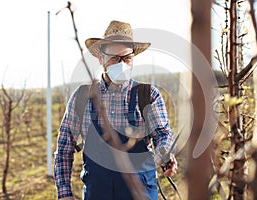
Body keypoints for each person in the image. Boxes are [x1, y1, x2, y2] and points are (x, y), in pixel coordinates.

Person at [54, 20, 178, 200]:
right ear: (100, 58)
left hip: (140, 192)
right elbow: (64, 147)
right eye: (114, 58)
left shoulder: (147, 95)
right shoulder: (82, 97)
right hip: (97, 193)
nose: (121, 64)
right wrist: (64, 193)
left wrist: (164, 154)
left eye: (127, 58)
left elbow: (163, 135)